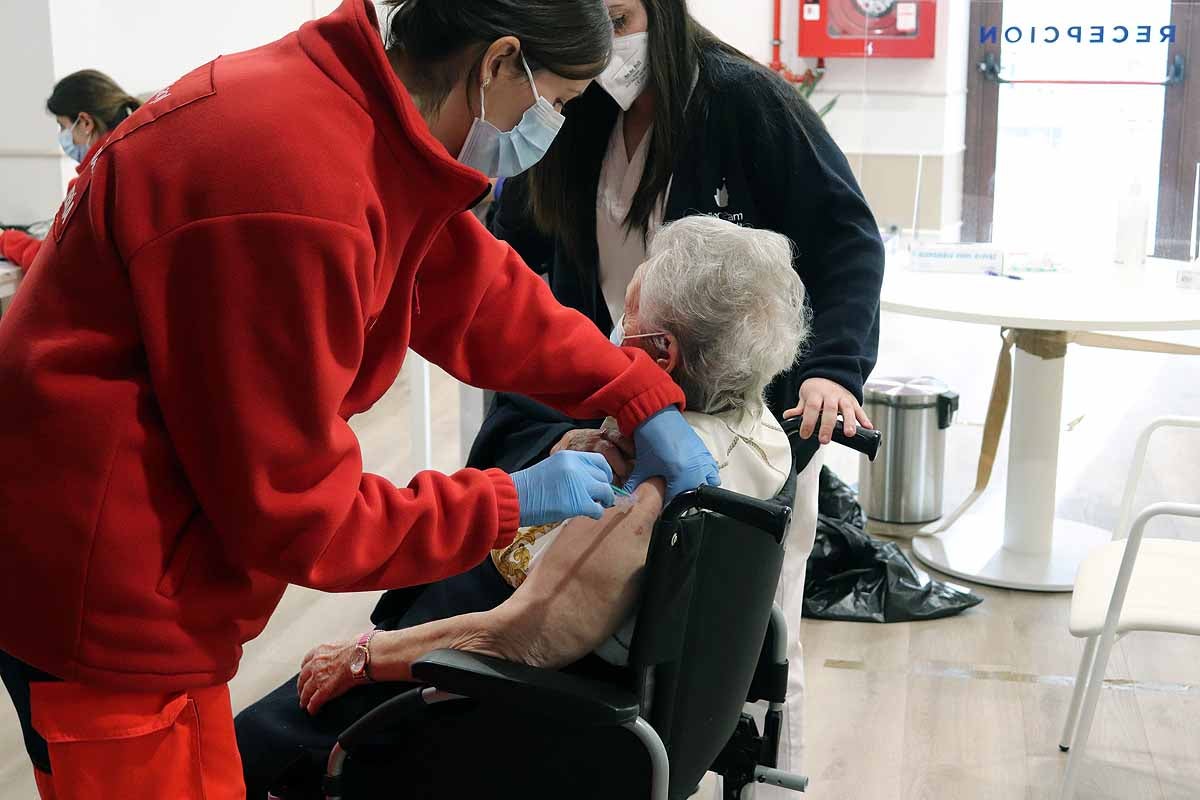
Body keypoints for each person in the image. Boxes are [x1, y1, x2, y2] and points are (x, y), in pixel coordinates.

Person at [0, 1, 722, 797]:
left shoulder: (359, 116)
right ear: (498, 63)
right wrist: (507, 501)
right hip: (99, 597)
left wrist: (633, 389)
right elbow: (296, 510)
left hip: (163, 571)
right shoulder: (287, 188)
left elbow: (470, 288)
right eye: (555, 101)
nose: (549, 126)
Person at [235, 215, 810, 799]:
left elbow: (521, 639)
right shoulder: (765, 437)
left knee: (251, 749)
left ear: (662, 354)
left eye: (628, 312)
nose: (612, 330)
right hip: (576, 680)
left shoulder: (649, 500)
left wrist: (362, 657)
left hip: (512, 708)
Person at [461, 0, 885, 787]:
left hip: (727, 414)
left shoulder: (741, 102)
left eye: (617, 18)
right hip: (608, 395)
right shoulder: (568, 109)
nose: (600, 35)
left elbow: (847, 237)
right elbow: (507, 252)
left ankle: (742, 773)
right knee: (591, 612)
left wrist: (834, 368)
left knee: (737, 638)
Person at [0, 70, 141, 271]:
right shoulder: (136, 160)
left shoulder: (91, 186)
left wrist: (6, 240)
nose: (62, 136)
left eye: (62, 126)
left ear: (85, 122)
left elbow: (56, 265)